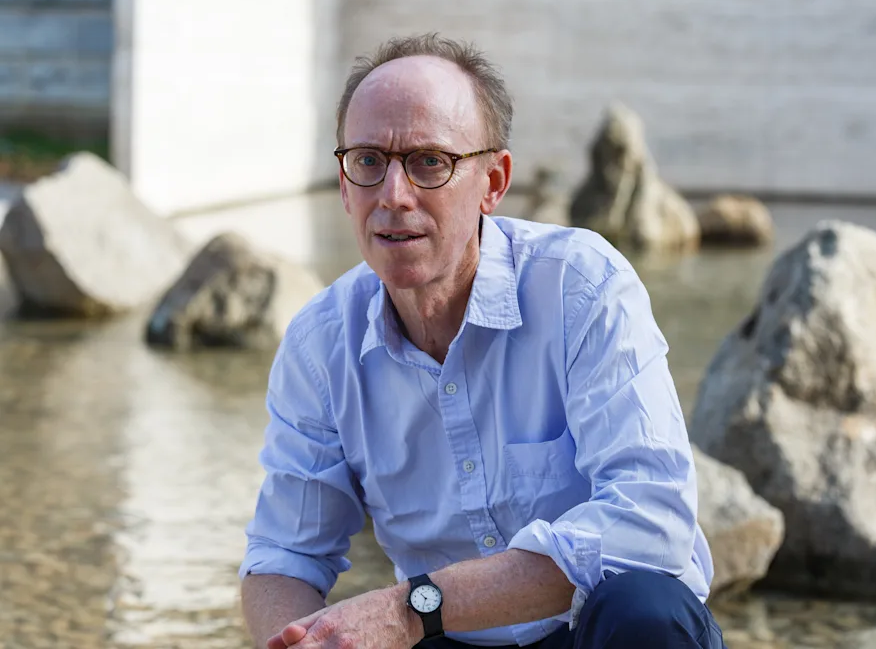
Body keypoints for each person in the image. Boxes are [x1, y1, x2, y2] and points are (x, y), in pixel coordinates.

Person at [239, 33, 726, 649]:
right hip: (456, 640)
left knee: (643, 609)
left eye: (429, 162)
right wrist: (297, 641)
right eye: (367, 161)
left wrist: (412, 609)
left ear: (493, 182)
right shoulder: (319, 343)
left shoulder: (581, 286)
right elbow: (282, 554)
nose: (392, 196)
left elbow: (651, 525)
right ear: (342, 184)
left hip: (597, 629)